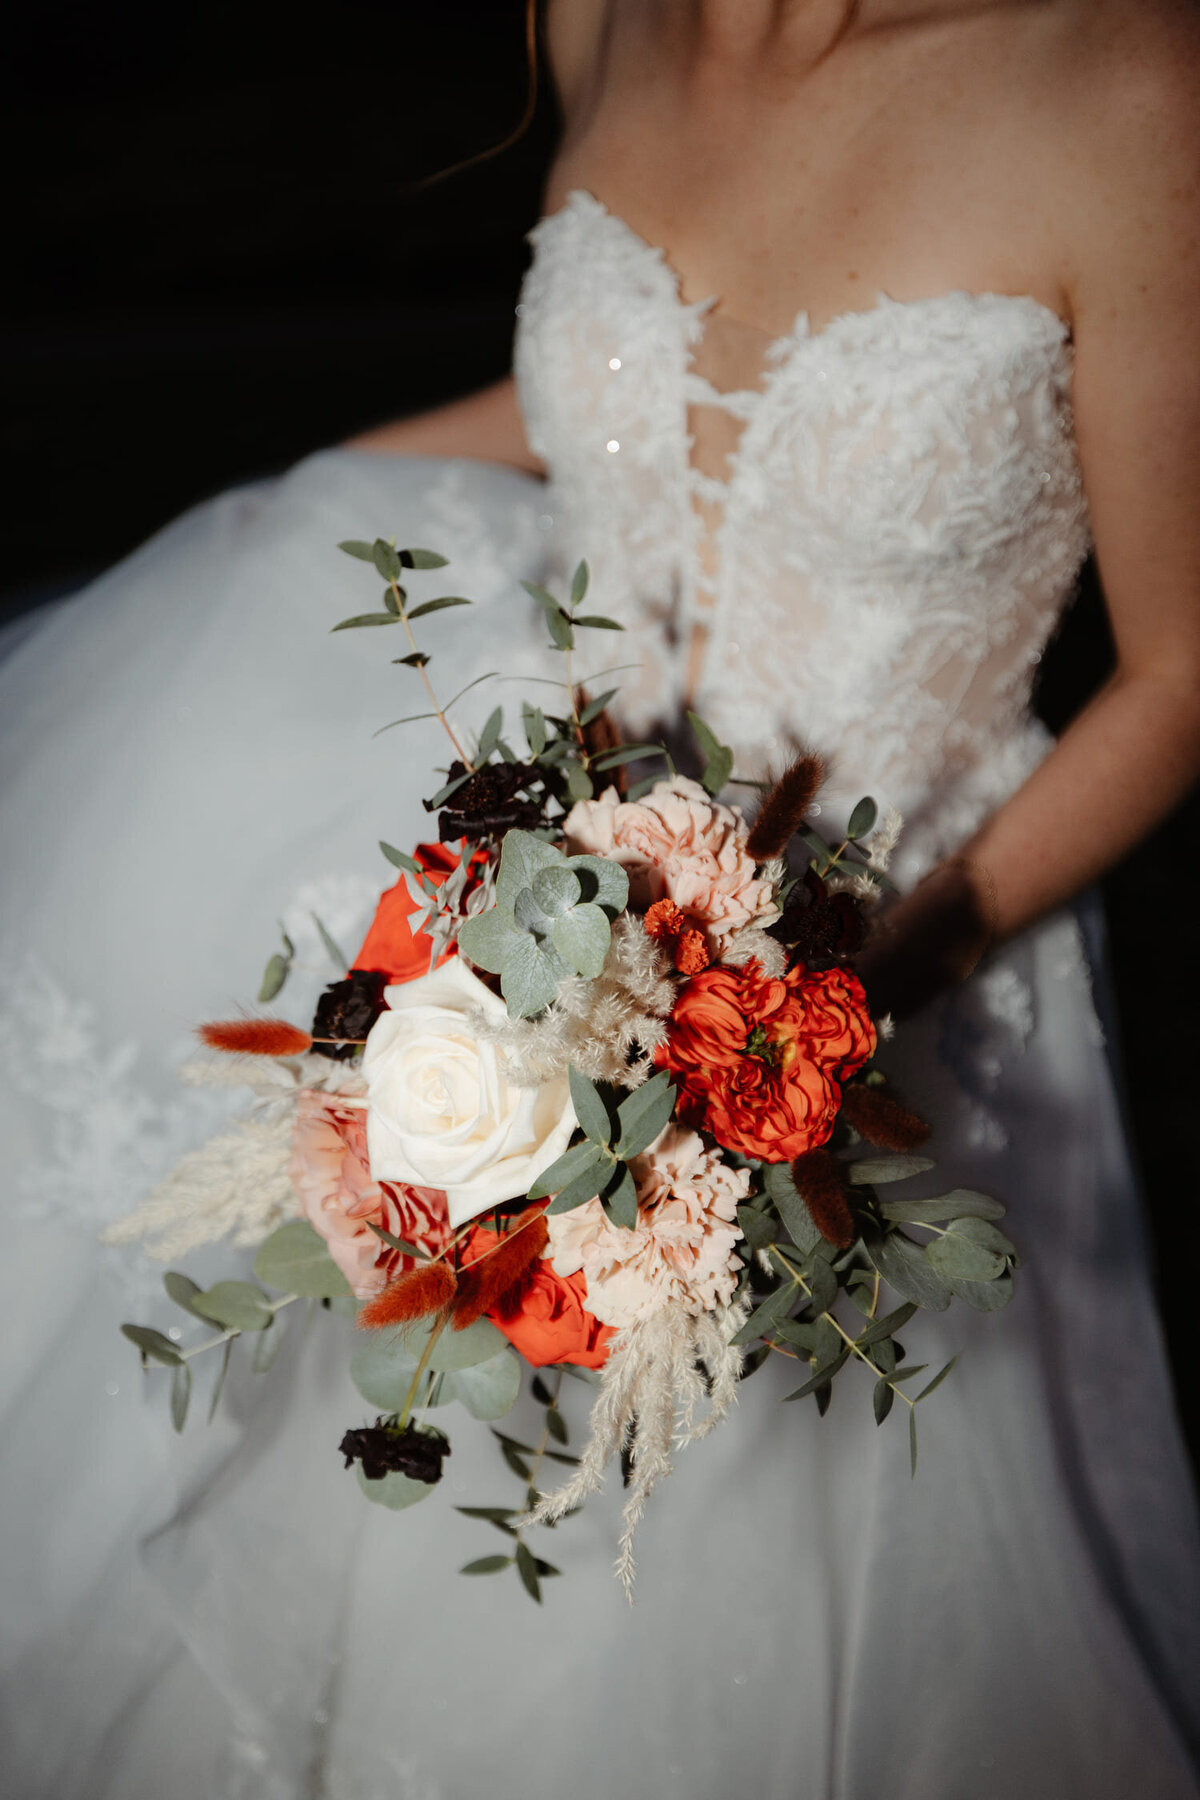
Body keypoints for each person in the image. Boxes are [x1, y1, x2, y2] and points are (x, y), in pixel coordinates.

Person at [3, 2, 1199, 1796]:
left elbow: (1179, 674)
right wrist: (297, 506)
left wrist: (843, 987)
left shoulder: (1127, 81)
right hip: (525, 884)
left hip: (901, 960)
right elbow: (609, 422)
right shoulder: (597, 13)